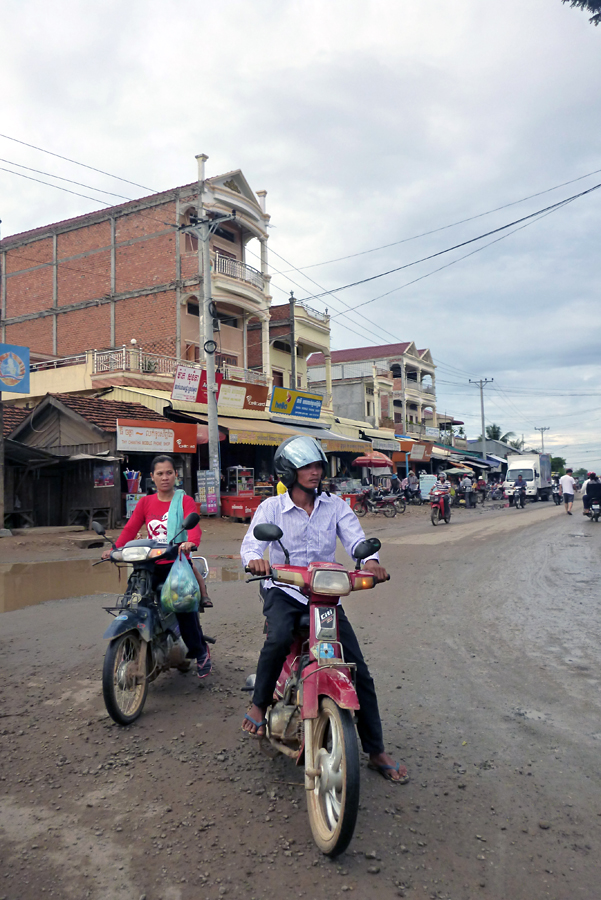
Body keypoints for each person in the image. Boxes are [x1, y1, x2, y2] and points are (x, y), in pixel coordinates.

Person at [240, 435, 408, 784]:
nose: (316, 473)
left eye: (318, 466)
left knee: (357, 668)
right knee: (279, 637)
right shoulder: (271, 509)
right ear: (290, 471)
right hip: (284, 591)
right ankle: (258, 703)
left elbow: (356, 541)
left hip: (324, 598)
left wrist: (371, 561)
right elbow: (252, 543)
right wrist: (256, 560)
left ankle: (375, 750)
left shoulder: (336, 506)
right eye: (308, 467)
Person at [103, 455, 213, 678]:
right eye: (160, 473)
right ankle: (131, 645)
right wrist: (114, 548)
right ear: (152, 477)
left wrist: (190, 542)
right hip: (148, 563)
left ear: (176, 476)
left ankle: (200, 651)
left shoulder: (184, 501)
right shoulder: (145, 502)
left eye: (169, 473)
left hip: (176, 563)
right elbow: (130, 529)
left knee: (183, 605)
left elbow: (193, 527)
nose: (165, 477)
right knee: (131, 600)